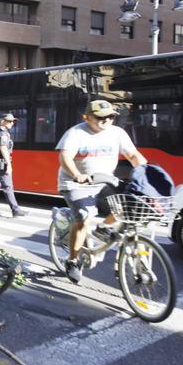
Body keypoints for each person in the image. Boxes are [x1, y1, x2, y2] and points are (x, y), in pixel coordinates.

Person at [56, 100, 147, 284]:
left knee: (127, 204)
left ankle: (103, 228)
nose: (106, 120)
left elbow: (133, 155)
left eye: (111, 116)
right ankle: (72, 261)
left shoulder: (117, 133)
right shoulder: (76, 133)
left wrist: (146, 172)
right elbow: (65, 156)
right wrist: (77, 174)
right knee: (84, 216)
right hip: (76, 183)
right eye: (100, 117)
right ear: (87, 117)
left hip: (104, 180)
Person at [0, 114, 27, 218]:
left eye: (13, 121)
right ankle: (15, 210)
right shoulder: (2, 133)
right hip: (1, 163)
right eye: (9, 121)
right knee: (8, 186)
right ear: (2, 121)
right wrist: (9, 165)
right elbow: (3, 148)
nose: (12, 123)